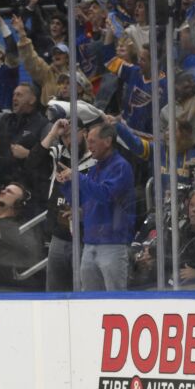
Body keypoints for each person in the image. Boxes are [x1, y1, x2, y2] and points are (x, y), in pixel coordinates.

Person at [54, 119, 135, 290]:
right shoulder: (94, 169)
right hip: (90, 243)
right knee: (89, 301)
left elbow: (105, 195)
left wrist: (76, 176)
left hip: (113, 244)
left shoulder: (121, 167)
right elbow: (84, 199)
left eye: (92, 141)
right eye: (87, 141)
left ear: (107, 141)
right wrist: (66, 184)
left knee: (115, 301)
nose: (88, 145)